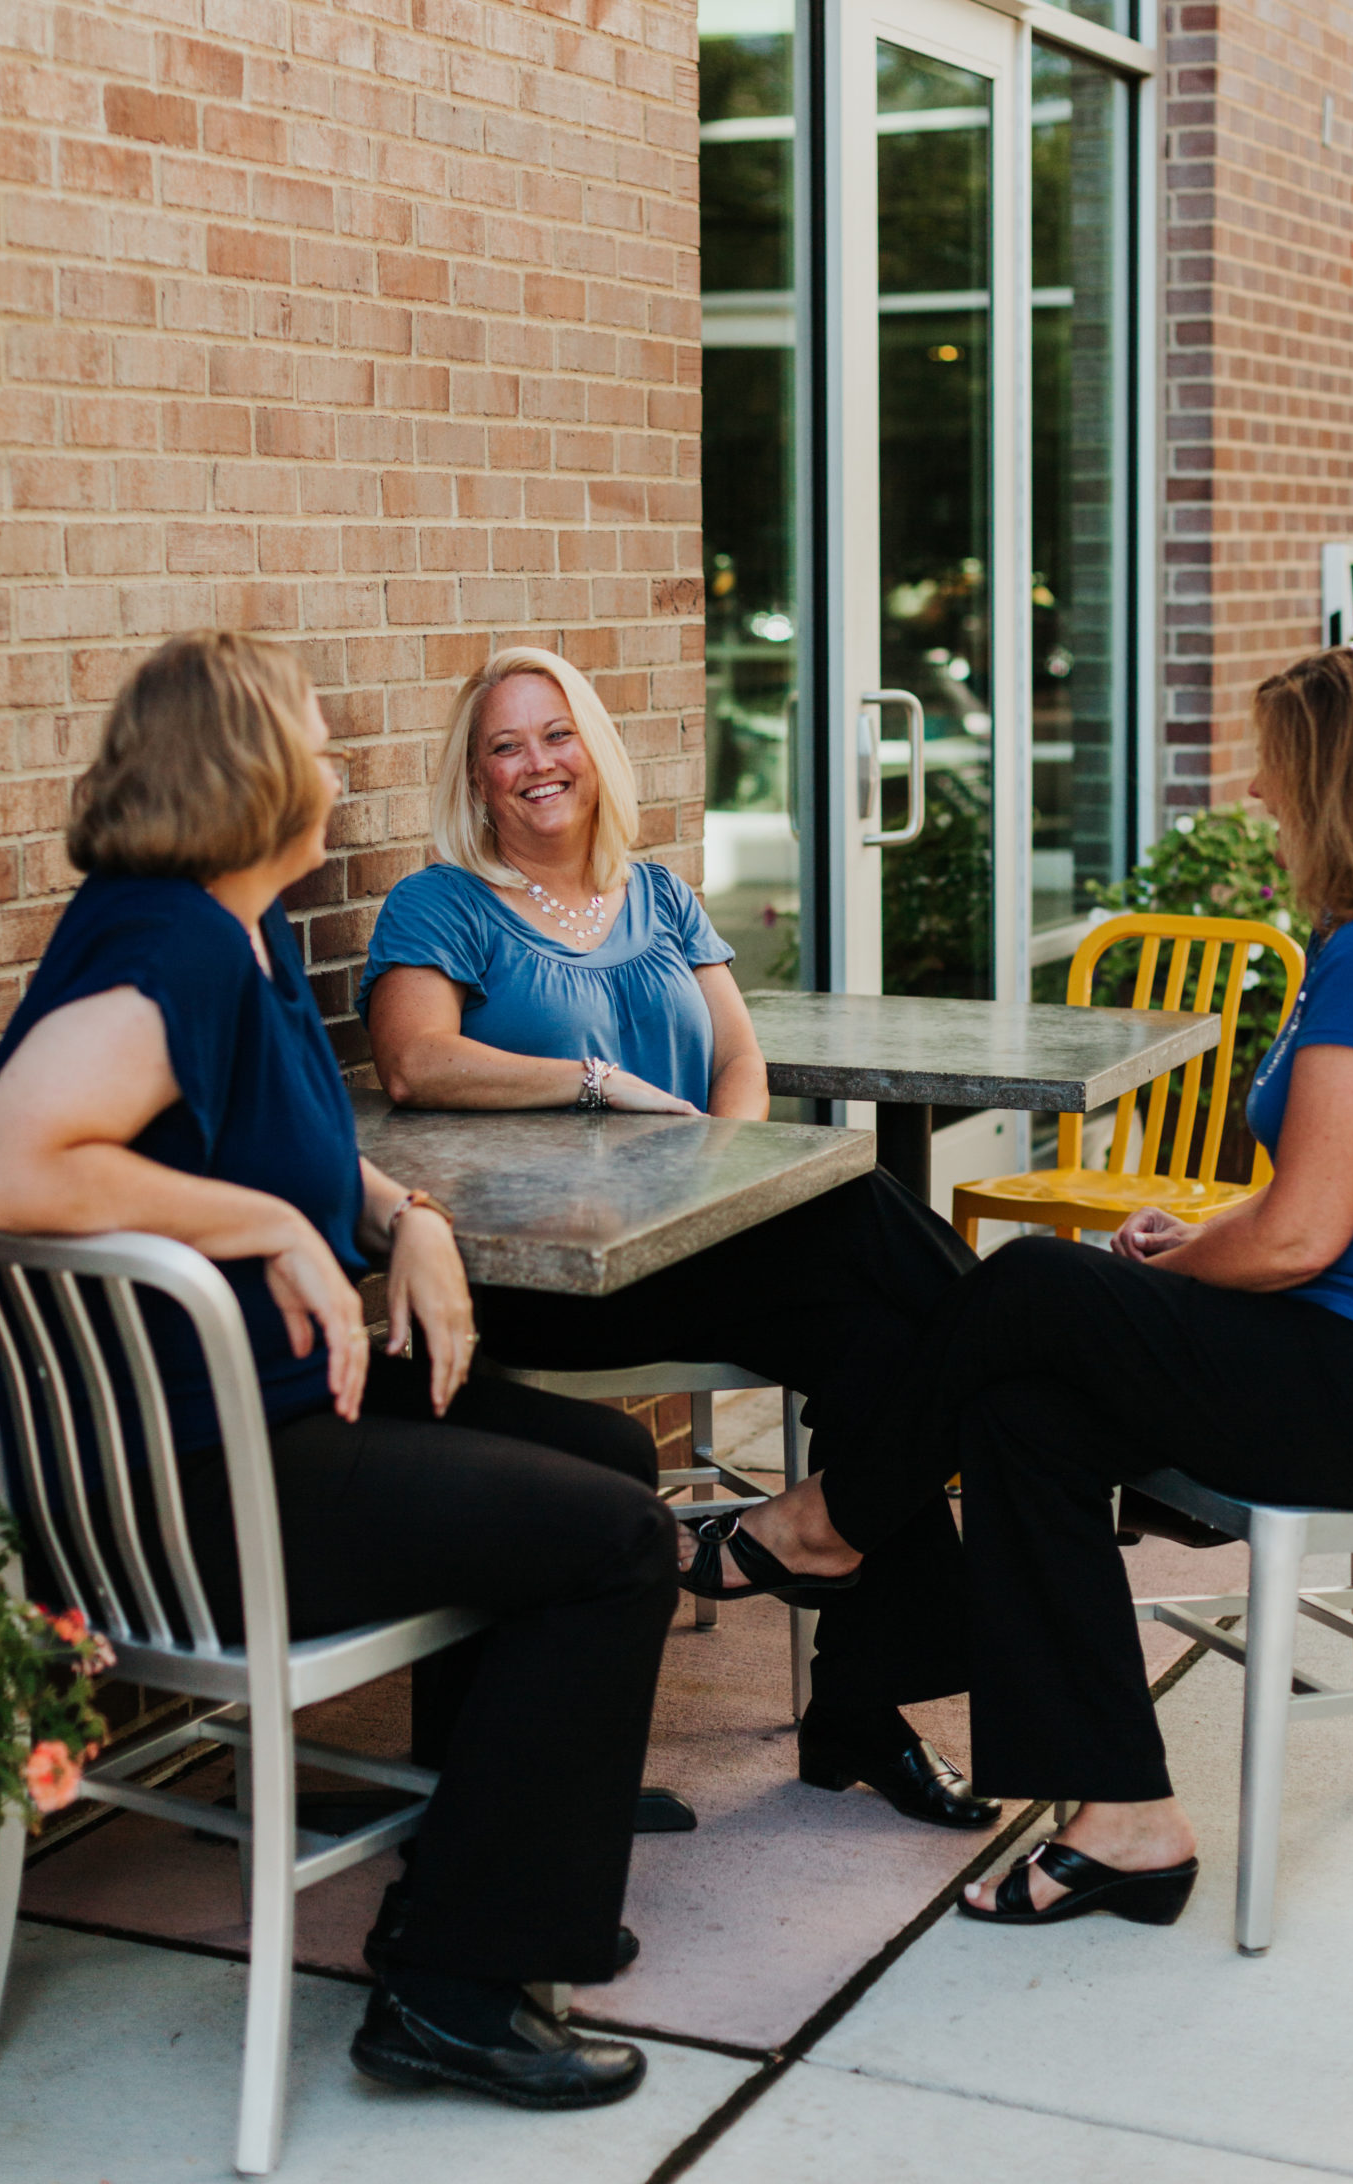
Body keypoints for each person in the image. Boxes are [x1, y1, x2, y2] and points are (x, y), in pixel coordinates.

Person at [713, 645, 1353, 1928]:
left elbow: (1299, 1240)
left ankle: (834, 1519)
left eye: (1279, 764)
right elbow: (1331, 1207)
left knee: (1035, 1286)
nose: (1261, 791)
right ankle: (1125, 1817)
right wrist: (1202, 1239)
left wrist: (1194, 1254)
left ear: (1341, 780)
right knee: (1023, 1412)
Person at [0, 630, 677, 2112]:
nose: (339, 763)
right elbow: (13, 1161)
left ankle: (481, 1852)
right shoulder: (164, 941)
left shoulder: (243, 932)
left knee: (610, 1463)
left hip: (270, 1420)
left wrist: (392, 1216)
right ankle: (451, 1991)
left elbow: (279, 1144)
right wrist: (271, 1229)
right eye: (313, 735)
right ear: (250, 770)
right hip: (196, 1486)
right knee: (615, 1544)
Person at [359, 645, 997, 1832]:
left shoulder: (657, 894)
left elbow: (737, 1058)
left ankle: (857, 1707)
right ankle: (1013, 1368)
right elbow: (415, 1061)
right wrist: (595, 1083)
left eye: (556, 734)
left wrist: (730, 1165)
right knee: (873, 1226)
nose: (536, 763)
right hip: (553, 1268)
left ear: (593, 749)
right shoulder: (441, 901)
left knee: (880, 1346)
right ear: (477, 776)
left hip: (692, 1246)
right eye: (505, 745)